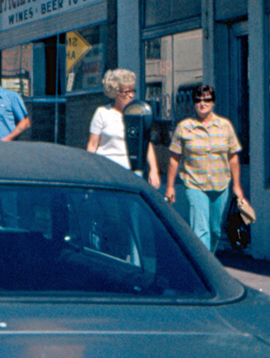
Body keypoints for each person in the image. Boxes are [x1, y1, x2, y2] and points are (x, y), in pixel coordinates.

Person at [165, 84, 245, 252]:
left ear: (213, 102)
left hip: (220, 185)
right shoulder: (184, 127)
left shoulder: (225, 126)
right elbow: (174, 158)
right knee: (201, 230)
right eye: (198, 100)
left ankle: (208, 260)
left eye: (207, 99)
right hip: (195, 185)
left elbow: (233, 157)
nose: (202, 103)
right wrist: (170, 186)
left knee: (215, 231)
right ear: (193, 103)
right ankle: (204, 271)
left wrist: (236, 186)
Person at [86, 69, 160, 186]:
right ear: (115, 93)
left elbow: (146, 143)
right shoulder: (102, 113)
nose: (130, 95)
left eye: (132, 91)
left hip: (131, 171)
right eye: (126, 92)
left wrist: (154, 170)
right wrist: (90, 171)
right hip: (106, 170)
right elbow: (92, 145)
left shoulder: (138, 113)